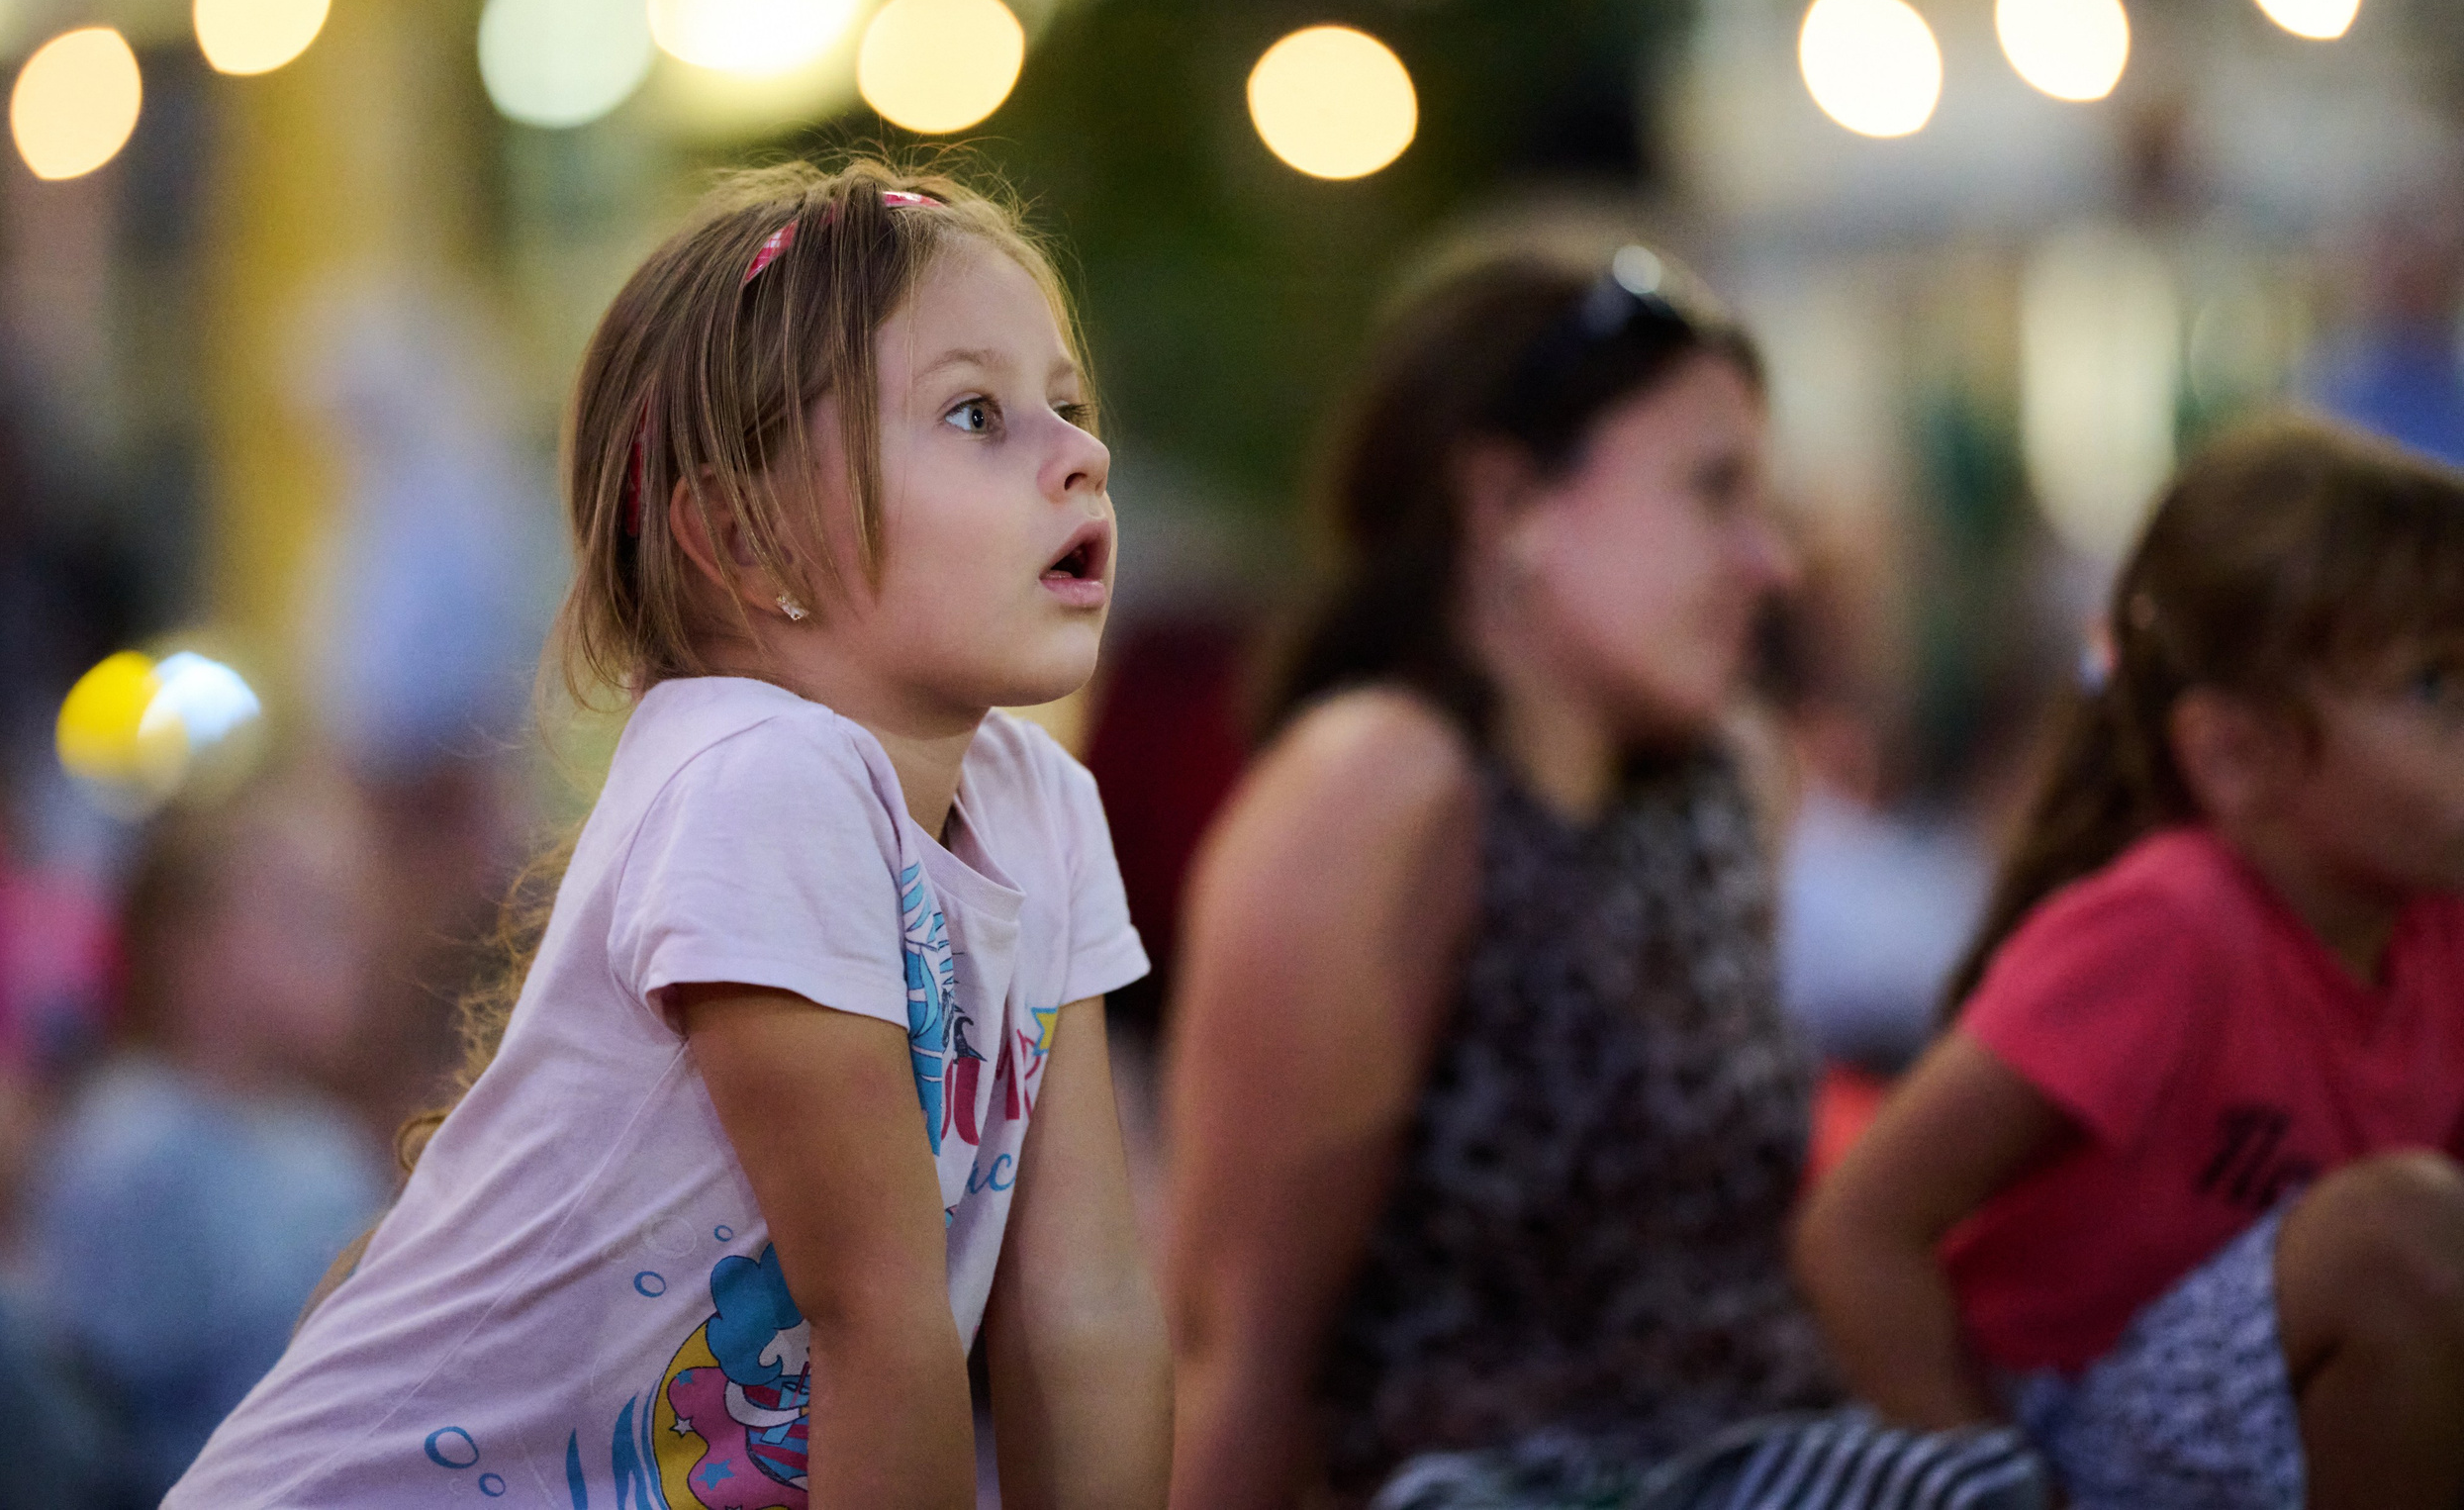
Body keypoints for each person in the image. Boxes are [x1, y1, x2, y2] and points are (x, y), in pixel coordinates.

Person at [167, 160, 1170, 1509]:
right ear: (747, 541)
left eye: (1070, 403)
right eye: (977, 412)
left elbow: (1085, 1304)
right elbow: (879, 1322)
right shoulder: (763, 779)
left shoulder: (1042, 806)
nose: (1080, 452)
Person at [1166, 246, 2037, 1510]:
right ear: (1505, 504)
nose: (1771, 564)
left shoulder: (1729, 776)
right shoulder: (1379, 787)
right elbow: (1235, 1342)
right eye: (1713, 492)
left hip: (1768, 1455)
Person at [1795, 418, 2464, 1510]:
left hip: (2264, 1419)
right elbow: (1856, 1230)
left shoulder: (2437, 930)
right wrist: (1995, 1489)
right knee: (2396, 1241)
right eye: (2436, 686)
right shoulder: (2168, 927)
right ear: (2233, 754)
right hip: (2058, 1428)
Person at [29, 787, 387, 1500]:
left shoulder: (332, 1143)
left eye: (346, 919)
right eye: (303, 917)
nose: (344, 948)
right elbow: (89, 1419)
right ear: (188, 950)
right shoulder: (133, 1148)